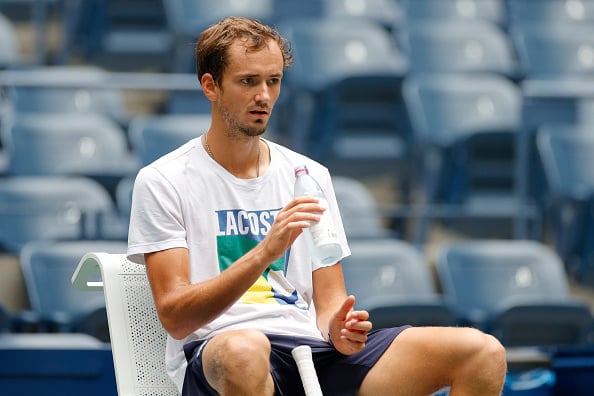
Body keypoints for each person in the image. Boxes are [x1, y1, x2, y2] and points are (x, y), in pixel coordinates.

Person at [127, 16, 507, 396]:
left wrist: (337, 328)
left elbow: (329, 302)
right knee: (245, 350)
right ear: (210, 86)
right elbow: (176, 317)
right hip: (222, 351)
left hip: (312, 353)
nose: (263, 95)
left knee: (482, 352)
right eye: (248, 81)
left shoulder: (308, 174)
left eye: (273, 81)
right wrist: (265, 252)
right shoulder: (164, 180)